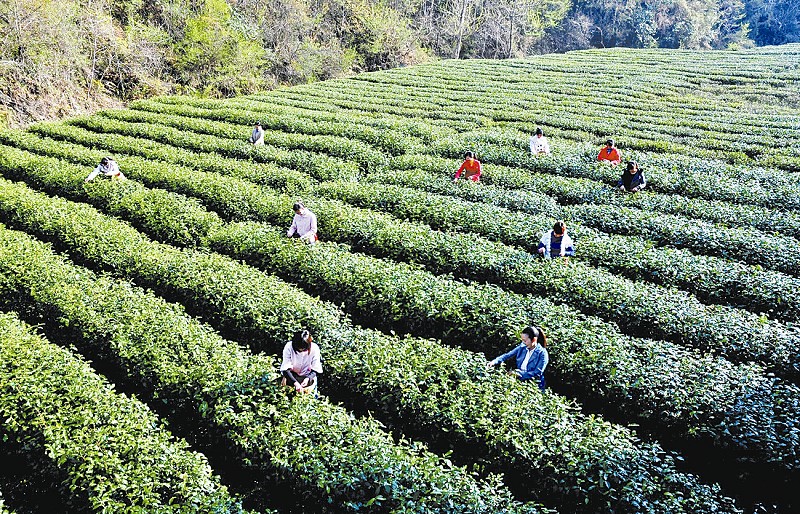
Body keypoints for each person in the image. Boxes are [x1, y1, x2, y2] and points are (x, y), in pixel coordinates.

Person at [487, 326, 549, 391]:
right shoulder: (522, 347)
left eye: (525, 340)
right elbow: (507, 355)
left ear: (534, 340)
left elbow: (537, 373)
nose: (523, 343)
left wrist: (519, 374)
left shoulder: (542, 353)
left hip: (534, 385)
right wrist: (494, 362)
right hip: (520, 381)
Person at [280, 330, 323, 394]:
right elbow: (285, 369)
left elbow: (316, 369)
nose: (301, 351)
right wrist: (296, 383)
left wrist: (308, 379)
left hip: (307, 375)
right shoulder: (289, 347)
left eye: (304, 349)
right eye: (299, 350)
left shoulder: (314, 348)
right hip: (292, 375)